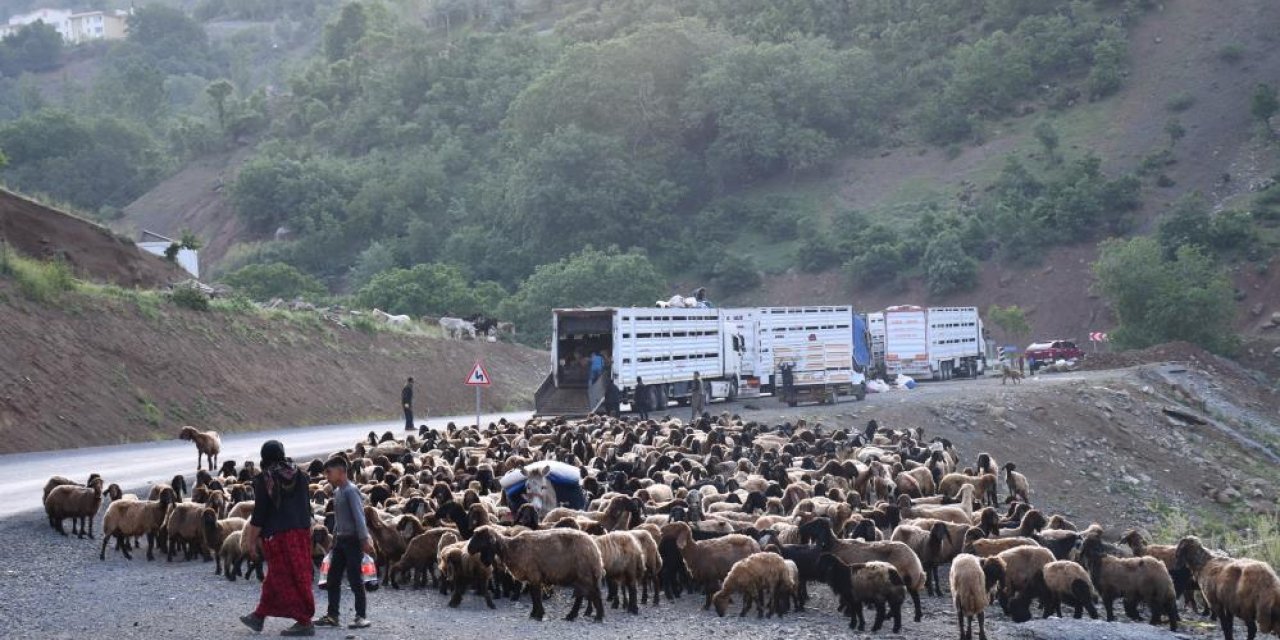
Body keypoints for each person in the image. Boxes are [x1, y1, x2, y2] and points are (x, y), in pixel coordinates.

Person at [241, 441, 316, 637]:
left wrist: (250, 542)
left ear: (264, 457)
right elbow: (307, 506)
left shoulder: (266, 479)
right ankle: (258, 616)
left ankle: (304, 620)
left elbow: (259, 515)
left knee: (285, 577)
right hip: (301, 532)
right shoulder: (299, 474)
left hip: (279, 535)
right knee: (289, 574)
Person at [314, 457, 373, 630]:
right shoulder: (338, 492)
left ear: (341, 472)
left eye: (329, 472)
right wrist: (333, 540)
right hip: (341, 541)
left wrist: (364, 539)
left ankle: (361, 616)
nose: (327, 476)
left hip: (353, 541)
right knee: (333, 577)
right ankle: (332, 615)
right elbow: (339, 519)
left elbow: (359, 517)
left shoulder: (350, 491)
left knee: (355, 579)